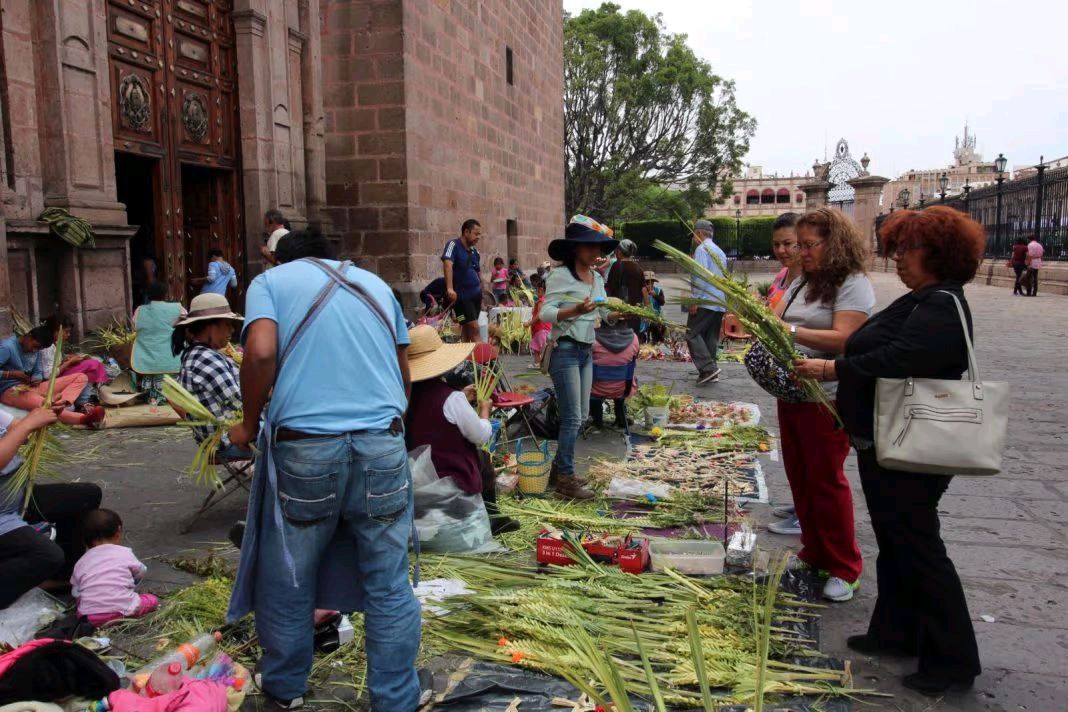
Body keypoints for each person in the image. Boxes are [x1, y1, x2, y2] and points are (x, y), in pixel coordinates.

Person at [226, 228, 419, 710]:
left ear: (280, 260)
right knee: (390, 582)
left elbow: (262, 352)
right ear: (334, 257)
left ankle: (285, 689)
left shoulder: (269, 284)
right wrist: (383, 430)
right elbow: (404, 374)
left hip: (307, 450)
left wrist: (248, 424)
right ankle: (396, 699)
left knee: (290, 578)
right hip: (383, 445)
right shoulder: (374, 285)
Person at [795, 206, 984, 696]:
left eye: (909, 250)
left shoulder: (942, 303)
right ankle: (896, 631)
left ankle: (952, 659)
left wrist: (834, 370)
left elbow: (901, 357)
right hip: (886, 438)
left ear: (939, 254)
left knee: (918, 545)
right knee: (896, 541)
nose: (898, 259)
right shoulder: (921, 298)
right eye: (896, 248)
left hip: (913, 441)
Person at [768, 208, 874, 603]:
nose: (802, 252)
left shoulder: (853, 283)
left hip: (826, 395)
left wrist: (789, 330)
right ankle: (814, 553)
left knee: (826, 480)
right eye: (801, 244)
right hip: (794, 390)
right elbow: (776, 315)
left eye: (810, 245)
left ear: (834, 244)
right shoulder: (803, 281)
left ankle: (845, 567)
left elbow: (847, 338)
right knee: (800, 475)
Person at [404, 326, 519, 535]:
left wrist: (461, 397)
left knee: (479, 458)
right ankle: (492, 517)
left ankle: (492, 515)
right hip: (448, 474)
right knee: (481, 457)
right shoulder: (450, 398)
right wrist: (484, 411)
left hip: (413, 473)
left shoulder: (405, 396)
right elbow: (481, 435)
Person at [541, 218, 619, 500]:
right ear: (575, 249)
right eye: (589, 246)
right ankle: (566, 480)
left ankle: (559, 468)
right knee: (572, 417)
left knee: (582, 415)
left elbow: (601, 312)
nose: (595, 251)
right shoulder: (560, 277)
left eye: (597, 246)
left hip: (586, 350)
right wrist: (573, 311)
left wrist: (614, 315)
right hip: (565, 351)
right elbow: (545, 314)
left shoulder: (597, 278)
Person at [0, 406, 103, 609]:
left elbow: (19, 432)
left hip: (17, 497)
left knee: (86, 496)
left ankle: (61, 576)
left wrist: (42, 419)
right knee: (47, 555)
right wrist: (29, 423)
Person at [172, 294, 248, 460]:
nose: (232, 330)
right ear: (210, 327)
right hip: (227, 441)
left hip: (224, 437)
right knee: (291, 438)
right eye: (227, 324)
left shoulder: (198, 354)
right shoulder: (204, 358)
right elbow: (240, 402)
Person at [0, 325, 104, 426]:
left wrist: (37, 378)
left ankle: (63, 403)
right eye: (35, 346)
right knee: (47, 405)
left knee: (81, 377)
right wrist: (10, 374)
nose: (35, 350)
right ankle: (83, 419)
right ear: (29, 336)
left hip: (32, 387)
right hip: (11, 391)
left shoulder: (37, 350)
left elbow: (38, 371)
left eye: (39, 348)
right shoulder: (7, 347)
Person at [70, 509, 158, 628]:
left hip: (90, 618)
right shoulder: (124, 553)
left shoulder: (81, 562)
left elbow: (76, 591)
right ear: (118, 533)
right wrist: (132, 583)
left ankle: (96, 615)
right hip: (123, 609)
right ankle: (120, 613)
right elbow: (141, 571)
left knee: (81, 601)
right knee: (152, 600)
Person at [686, 219, 727, 385]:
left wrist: (694, 300)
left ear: (700, 233)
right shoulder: (720, 251)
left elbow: (700, 277)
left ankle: (707, 368)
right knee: (710, 337)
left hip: (705, 300)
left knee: (692, 333)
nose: (693, 238)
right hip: (718, 301)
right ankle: (711, 371)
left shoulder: (702, 249)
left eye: (694, 234)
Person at [131, 282, 185, 405]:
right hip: (170, 355)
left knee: (150, 373)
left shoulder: (140, 310)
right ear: (165, 294)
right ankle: (166, 397)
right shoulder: (177, 308)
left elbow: (135, 327)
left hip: (147, 354)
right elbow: (186, 321)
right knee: (169, 379)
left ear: (148, 295)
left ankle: (151, 397)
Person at [39, 315, 108, 410]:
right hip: (49, 383)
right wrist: (69, 362)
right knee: (92, 365)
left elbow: (54, 365)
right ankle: (82, 401)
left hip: (57, 377)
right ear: (56, 331)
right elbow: (48, 375)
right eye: (66, 331)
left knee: (93, 362)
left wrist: (66, 360)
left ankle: (84, 400)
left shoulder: (55, 345)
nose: (68, 335)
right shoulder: (48, 347)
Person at [442, 219, 484, 342]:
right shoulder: (453, 245)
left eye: (479, 235)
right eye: (476, 234)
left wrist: (483, 290)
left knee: (466, 328)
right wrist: (449, 288)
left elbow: (477, 271)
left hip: (476, 296)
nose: (478, 237)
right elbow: (447, 263)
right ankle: (485, 359)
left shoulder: (474, 252)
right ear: (466, 232)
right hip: (462, 298)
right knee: (474, 329)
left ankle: (467, 360)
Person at [768, 213, 802, 309]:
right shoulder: (782, 273)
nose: (780, 250)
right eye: (776, 244)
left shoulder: (814, 281)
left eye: (787, 243)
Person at [527, 281, 552, 367]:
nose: (536, 293)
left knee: (541, 348)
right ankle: (537, 364)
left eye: (537, 290)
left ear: (541, 290)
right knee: (537, 348)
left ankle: (544, 364)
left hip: (541, 329)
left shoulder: (541, 301)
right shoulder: (549, 300)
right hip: (544, 328)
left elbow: (539, 315)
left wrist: (529, 323)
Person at [640, 271, 666, 344]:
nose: (649, 284)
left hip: (656, 315)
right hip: (643, 315)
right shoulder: (641, 291)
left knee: (662, 326)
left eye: (651, 282)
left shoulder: (658, 290)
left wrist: (655, 295)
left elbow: (662, 302)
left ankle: (658, 342)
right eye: (647, 282)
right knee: (650, 325)